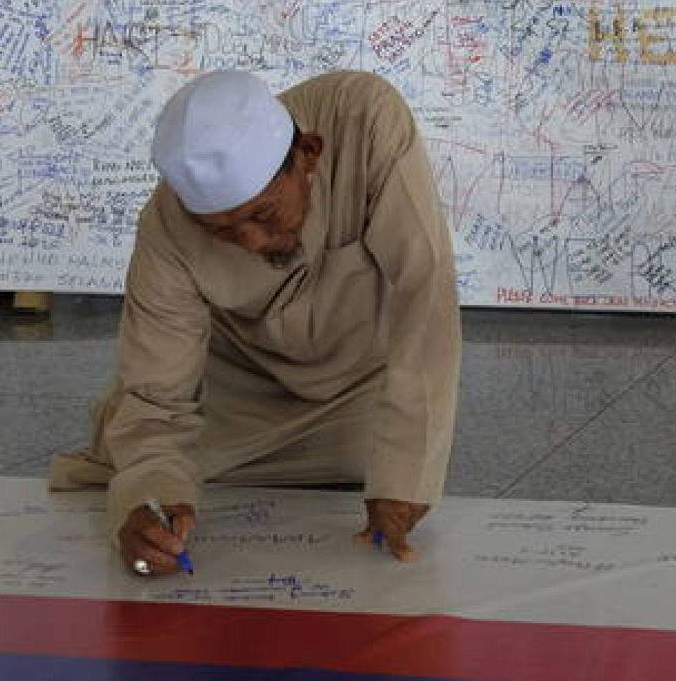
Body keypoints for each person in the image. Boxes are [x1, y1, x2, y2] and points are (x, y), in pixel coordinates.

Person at [49, 69, 462, 575]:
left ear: (309, 155)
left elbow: (426, 300)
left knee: (395, 452)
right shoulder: (166, 228)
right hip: (239, 402)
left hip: (357, 395)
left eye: (264, 215)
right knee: (129, 453)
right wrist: (151, 500)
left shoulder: (365, 119)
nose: (252, 242)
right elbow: (156, 399)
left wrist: (403, 481)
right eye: (221, 232)